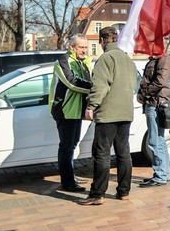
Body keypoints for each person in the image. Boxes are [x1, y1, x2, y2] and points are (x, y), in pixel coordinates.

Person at [78, 27, 137, 205]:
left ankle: (97, 194)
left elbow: (100, 86)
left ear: (102, 41)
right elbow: (134, 84)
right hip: (126, 112)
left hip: (108, 114)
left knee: (102, 153)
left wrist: (91, 106)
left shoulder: (105, 58)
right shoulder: (127, 59)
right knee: (123, 153)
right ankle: (124, 191)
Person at [48, 34, 92, 193]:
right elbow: (72, 82)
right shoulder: (63, 61)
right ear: (72, 47)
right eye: (81, 47)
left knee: (72, 145)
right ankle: (67, 182)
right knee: (66, 147)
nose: (84, 50)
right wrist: (94, 88)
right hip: (65, 110)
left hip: (77, 110)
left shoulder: (83, 62)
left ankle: (70, 175)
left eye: (86, 47)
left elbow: (88, 78)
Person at [137, 43, 170, 188]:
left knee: (155, 141)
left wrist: (144, 94)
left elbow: (160, 81)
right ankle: (163, 174)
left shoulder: (163, 59)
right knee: (158, 140)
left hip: (156, 104)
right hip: (154, 103)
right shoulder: (157, 59)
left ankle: (160, 175)